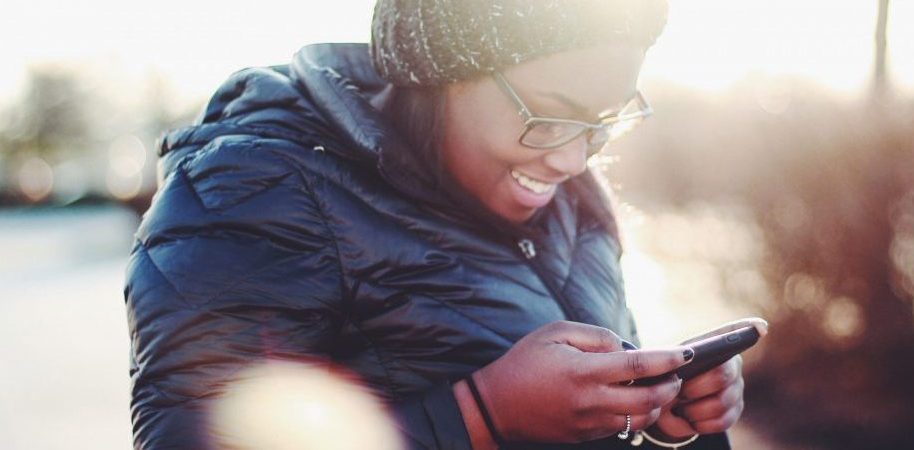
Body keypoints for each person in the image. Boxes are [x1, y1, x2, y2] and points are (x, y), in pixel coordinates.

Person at [124, 1, 755, 448]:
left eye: (604, 120)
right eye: (550, 115)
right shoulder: (254, 192)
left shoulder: (571, 196)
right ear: (440, 75)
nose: (572, 158)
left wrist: (660, 415)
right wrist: (480, 416)